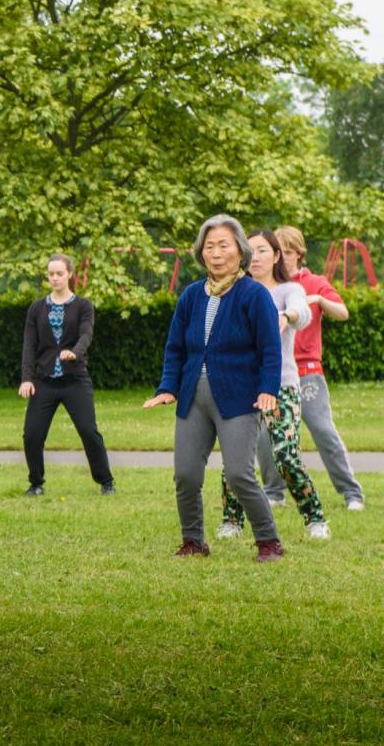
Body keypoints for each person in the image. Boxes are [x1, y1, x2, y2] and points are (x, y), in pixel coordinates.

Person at [144, 214, 283, 562]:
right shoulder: (191, 296)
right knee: (186, 475)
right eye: (209, 246)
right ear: (200, 252)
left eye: (224, 245)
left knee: (238, 474)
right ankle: (193, 541)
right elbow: (175, 347)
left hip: (238, 398)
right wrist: (167, 387)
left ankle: (269, 541)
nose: (216, 253)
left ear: (240, 250)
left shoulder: (253, 294)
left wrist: (269, 389)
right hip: (193, 398)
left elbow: (270, 348)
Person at [216, 229, 330, 540]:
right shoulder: (235, 291)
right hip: (243, 387)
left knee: (286, 455)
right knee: (234, 460)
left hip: (281, 386)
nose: (256, 256)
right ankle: (231, 521)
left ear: (277, 255)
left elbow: (303, 310)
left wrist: (287, 315)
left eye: (263, 250)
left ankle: (315, 518)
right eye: (250, 250)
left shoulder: (288, 290)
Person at [268, 226, 366, 511]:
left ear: (298, 254)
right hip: (275, 371)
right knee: (268, 435)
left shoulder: (314, 282)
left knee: (322, 430)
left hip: (307, 371)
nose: (282, 258)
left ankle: (351, 493)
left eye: (287, 252)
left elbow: (343, 312)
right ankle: (274, 492)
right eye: (278, 252)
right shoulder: (266, 286)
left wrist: (320, 300)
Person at [18, 253, 115, 497]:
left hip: (75, 380)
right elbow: (29, 345)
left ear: (70, 274)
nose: (55, 278)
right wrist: (27, 379)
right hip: (44, 381)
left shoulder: (83, 306)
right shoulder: (37, 308)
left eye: (59, 273)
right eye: (51, 274)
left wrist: (75, 352)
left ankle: (106, 482)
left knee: (88, 431)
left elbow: (86, 334)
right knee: (32, 434)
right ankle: (36, 483)